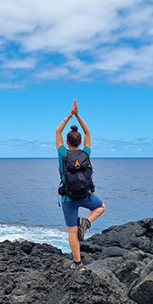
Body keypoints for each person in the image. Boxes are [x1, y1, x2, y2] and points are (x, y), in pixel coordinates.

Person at [55, 99, 106, 270]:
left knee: (71, 232)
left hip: (68, 198)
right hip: (85, 195)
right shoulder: (86, 153)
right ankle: (86, 223)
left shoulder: (62, 153)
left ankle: (78, 263)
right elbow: (88, 132)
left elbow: (57, 131)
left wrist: (70, 115)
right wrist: (79, 115)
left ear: (67, 142)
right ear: (80, 142)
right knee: (101, 207)